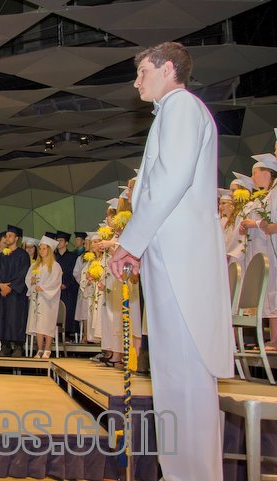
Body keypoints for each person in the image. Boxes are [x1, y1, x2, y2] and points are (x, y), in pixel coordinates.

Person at [110, 42, 233, 481]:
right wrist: (142, 246)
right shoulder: (174, 111)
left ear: (167, 69)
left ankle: (193, 474)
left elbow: (169, 180)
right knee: (173, 379)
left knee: (184, 379)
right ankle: (182, 471)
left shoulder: (181, 106)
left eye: (143, 71)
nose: (136, 81)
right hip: (171, 260)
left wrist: (130, 243)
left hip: (182, 265)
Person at [239, 153, 277, 350]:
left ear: (267, 172)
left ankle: (274, 339)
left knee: (273, 293)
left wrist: (259, 224)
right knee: (269, 294)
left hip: (270, 246)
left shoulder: (272, 194)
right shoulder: (267, 195)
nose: (253, 177)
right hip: (266, 248)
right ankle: (272, 339)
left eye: (255, 173)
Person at [0, 225, 30, 357]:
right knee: (3, 318)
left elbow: (23, 274)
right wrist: (0, 285)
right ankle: (5, 347)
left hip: (17, 294)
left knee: (16, 318)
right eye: (6, 236)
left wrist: (10, 287)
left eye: (10, 236)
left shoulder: (23, 255)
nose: (7, 238)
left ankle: (18, 347)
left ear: (16, 238)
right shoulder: (1, 255)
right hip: (3, 293)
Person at [25, 235, 63, 359]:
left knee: (47, 323)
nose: (41, 251)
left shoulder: (55, 266)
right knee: (38, 324)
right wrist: (32, 281)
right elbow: (28, 279)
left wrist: (43, 288)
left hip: (49, 299)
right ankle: (40, 349)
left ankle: (48, 348)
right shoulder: (35, 265)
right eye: (40, 248)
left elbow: (55, 282)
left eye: (44, 248)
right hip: (37, 298)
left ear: (50, 250)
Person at [54, 231, 79, 340]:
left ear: (66, 243)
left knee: (69, 310)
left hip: (69, 289)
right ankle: (57, 334)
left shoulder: (73, 256)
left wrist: (66, 285)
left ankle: (68, 334)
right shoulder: (54, 257)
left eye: (61, 240)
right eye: (57, 240)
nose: (58, 242)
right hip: (55, 289)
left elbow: (75, 273)